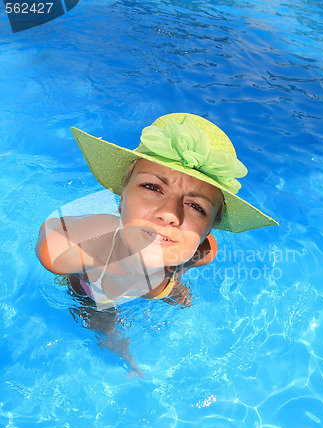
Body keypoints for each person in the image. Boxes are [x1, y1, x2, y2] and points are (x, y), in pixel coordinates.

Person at [36, 112, 278, 375]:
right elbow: (54, 236)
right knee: (105, 328)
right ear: (121, 196)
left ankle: (171, 289)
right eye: (153, 187)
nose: (171, 213)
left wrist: (174, 281)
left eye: (196, 206)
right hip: (95, 290)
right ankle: (125, 358)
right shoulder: (79, 252)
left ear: (208, 228)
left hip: (166, 273)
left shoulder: (200, 252)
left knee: (173, 285)